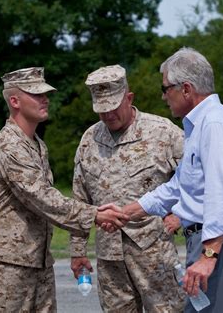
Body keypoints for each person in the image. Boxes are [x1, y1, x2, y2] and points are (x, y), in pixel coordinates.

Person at [119, 47, 223, 312]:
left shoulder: (216, 124)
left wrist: (209, 256)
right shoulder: (199, 127)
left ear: (186, 88)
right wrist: (130, 210)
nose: (163, 97)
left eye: (165, 89)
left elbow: (221, 192)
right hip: (211, 245)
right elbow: (179, 186)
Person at [0, 67, 129, 312]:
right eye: (36, 94)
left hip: (37, 261)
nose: (45, 99)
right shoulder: (9, 146)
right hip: (7, 266)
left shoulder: (36, 144)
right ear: (14, 101)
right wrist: (95, 215)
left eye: (45, 93)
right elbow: (43, 198)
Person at [69, 64, 185, 312]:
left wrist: (182, 213)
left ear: (129, 98)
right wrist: (78, 251)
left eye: (113, 108)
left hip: (155, 255)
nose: (108, 115)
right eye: (102, 110)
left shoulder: (162, 132)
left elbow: (196, 177)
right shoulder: (89, 140)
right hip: (110, 259)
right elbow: (80, 199)